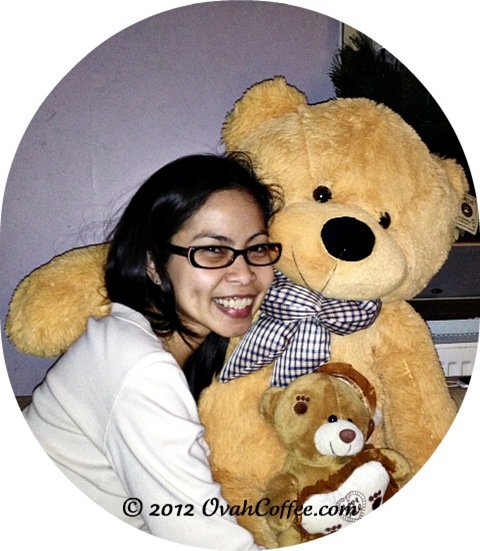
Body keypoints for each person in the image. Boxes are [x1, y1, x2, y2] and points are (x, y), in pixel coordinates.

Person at [23, 153, 283, 550]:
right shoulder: (140, 367)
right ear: (154, 265)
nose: (245, 273)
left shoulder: (140, 339)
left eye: (258, 248)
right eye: (213, 251)